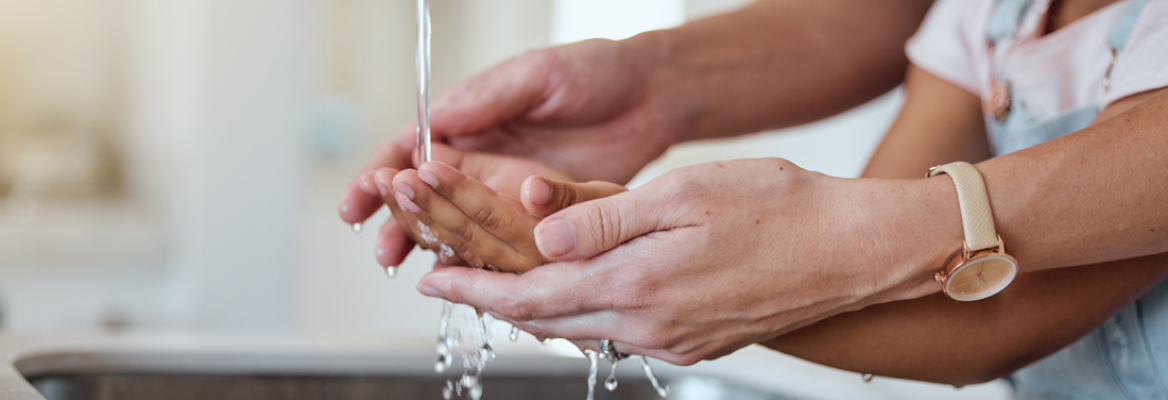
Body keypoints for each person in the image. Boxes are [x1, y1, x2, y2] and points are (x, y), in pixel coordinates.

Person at [339, 0, 1168, 396]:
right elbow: (913, 292)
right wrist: (633, 263)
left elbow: (994, 312)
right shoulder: (987, 16)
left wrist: (657, 274)